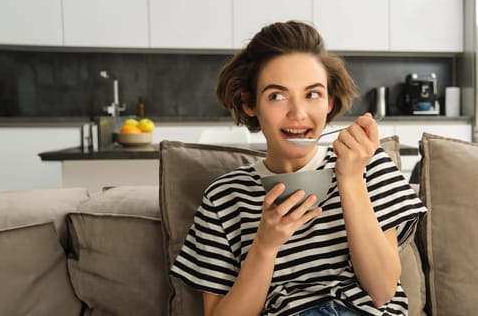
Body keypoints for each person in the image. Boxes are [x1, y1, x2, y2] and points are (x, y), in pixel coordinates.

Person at [170, 21, 427, 316]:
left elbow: (382, 290)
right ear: (250, 103)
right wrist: (265, 245)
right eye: (277, 95)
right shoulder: (225, 197)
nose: (298, 113)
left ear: (330, 101)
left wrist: (350, 179)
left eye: (313, 94)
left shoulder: (368, 165)